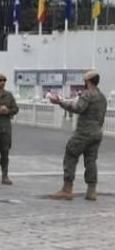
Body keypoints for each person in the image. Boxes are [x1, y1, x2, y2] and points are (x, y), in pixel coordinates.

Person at [47, 69, 107, 201]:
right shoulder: (102, 97)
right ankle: (91, 191)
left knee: (71, 154)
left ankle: (67, 189)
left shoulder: (87, 94)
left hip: (84, 132)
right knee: (91, 161)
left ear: (88, 81)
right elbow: (102, 116)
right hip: (97, 133)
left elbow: (78, 108)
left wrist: (60, 103)